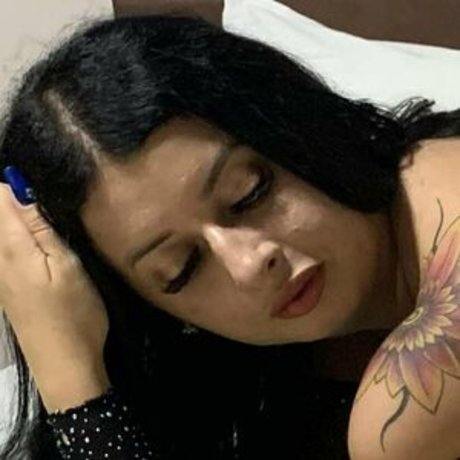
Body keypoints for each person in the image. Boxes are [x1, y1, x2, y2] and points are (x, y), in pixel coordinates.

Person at [0, 15, 459, 460]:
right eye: (182, 269)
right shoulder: (282, 376)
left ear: (297, 125)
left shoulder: (401, 423)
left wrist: (72, 381)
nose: (248, 264)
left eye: (249, 194)